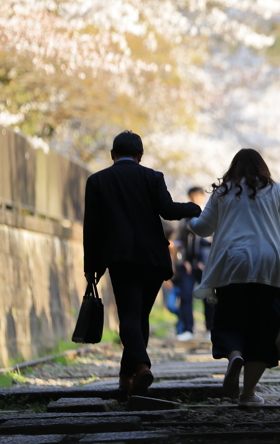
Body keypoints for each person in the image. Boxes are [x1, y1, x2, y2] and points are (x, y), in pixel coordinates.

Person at [83, 131, 201, 399]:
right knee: (139, 316)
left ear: (112, 155)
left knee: (129, 317)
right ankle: (127, 379)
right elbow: (169, 210)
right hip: (153, 259)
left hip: (121, 259)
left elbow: (92, 228)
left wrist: (91, 266)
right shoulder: (152, 177)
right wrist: (195, 209)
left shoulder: (97, 181)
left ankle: (141, 366)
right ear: (140, 156)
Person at [189, 149, 280, 408]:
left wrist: (190, 217)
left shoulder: (223, 192)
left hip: (232, 264)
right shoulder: (279, 191)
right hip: (271, 266)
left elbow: (202, 228)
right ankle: (248, 394)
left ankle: (234, 355)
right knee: (264, 329)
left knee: (229, 319)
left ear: (234, 167)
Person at [175, 186, 212, 340]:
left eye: (198, 196)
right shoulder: (185, 218)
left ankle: (210, 329)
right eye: (192, 196)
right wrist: (183, 261)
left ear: (203, 197)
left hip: (206, 264)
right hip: (187, 265)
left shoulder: (210, 215)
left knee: (209, 297)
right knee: (185, 296)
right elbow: (179, 242)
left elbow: (212, 242)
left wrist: (206, 261)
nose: (195, 199)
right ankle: (188, 329)